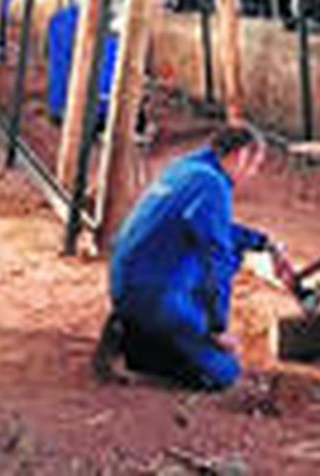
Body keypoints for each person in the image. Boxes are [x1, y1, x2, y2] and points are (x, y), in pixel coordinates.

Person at [94, 126, 292, 391]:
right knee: (224, 373)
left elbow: (214, 227)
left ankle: (136, 332)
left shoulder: (185, 168)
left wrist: (264, 243)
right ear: (241, 155)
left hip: (128, 283)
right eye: (254, 165)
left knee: (224, 250)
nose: (252, 174)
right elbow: (217, 258)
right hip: (153, 292)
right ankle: (144, 344)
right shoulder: (212, 185)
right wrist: (217, 328)